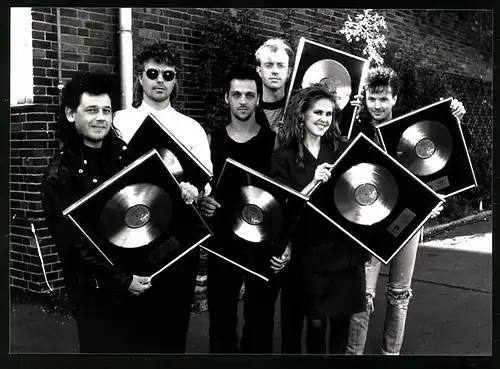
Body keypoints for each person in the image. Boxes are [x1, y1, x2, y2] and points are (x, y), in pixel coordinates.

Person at [345, 66, 466, 355]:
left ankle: (391, 355)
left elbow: (439, 161)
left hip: (407, 219)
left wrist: (457, 118)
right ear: (364, 98)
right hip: (369, 222)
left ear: (395, 99)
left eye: (383, 99)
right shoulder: (356, 129)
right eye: (372, 98)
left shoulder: (410, 129)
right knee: (362, 295)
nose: (377, 105)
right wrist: (343, 115)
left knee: (399, 294)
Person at [41, 72, 153, 353]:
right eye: (91, 110)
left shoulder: (125, 157)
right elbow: (74, 245)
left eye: (106, 110)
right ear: (70, 114)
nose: (101, 117)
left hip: (137, 280)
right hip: (94, 292)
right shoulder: (58, 176)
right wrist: (122, 280)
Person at [112, 41, 213, 352]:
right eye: (152, 72)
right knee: (132, 328)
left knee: (173, 328)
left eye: (168, 74)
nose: (160, 80)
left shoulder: (191, 127)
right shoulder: (119, 121)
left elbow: (205, 184)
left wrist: (196, 191)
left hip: (178, 239)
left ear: (175, 80)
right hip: (130, 236)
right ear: (140, 78)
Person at [271, 84, 371, 354]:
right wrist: (311, 184)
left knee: (341, 325)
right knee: (315, 324)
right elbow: (282, 208)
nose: (324, 119)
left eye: (329, 114)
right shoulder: (284, 157)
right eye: (318, 112)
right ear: (302, 114)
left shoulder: (344, 148)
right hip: (309, 254)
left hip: (345, 252)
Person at [198, 66, 289, 353]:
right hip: (223, 243)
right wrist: (204, 203)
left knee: (259, 323)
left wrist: (285, 244)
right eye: (236, 94)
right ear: (226, 98)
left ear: (258, 99)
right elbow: (202, 192)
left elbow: (286, 199)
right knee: (222, 324)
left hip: (263, 243)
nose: (243, 101)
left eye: (250, 95)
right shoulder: (211, 141)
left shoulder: (274, 142)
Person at [254, 38, 294, 135]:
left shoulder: (297, 109)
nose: (275, 71)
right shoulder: (247, 111)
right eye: (269, 65)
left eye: (280, 65)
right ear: (259, 71)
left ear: (289, 72)